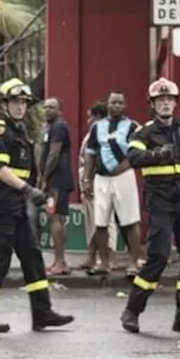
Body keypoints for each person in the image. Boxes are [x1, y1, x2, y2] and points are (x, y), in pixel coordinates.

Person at [0, 78, 74, 334]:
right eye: (14, 102)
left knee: (33, 257)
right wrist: (27, 189)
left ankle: (42, 313)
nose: (19, 107)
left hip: (16, 205)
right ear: (4, 104)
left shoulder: (20, 130)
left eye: (23, 102)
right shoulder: (0, 131)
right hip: (2, 205)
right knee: (0, 261)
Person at [120, 77, 180, 334]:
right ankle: (132, 310)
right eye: (160, 100)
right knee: (158, 257)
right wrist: (158, 154)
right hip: (159, 202)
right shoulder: (144, 132)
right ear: (152, 104)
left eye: (169, 99)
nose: (165, 104)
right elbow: (133, 157)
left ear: (175, 103)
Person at [82, 91, 144, 277]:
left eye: (120, 102)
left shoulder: (133, 126)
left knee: (130, 220)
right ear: (107, 104)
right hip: (101, 178)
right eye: (113, 102)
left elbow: (138, 152)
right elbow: (90, 153)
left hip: (124, 176)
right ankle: (104, 263)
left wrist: (125, 166)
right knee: (100, 222)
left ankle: (133, 262)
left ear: (124, 105)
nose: (116, 106)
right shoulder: (97, 127)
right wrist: (87, 178)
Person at [40, 97, 73, 276]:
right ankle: (58, 261)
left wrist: (44, 178)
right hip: (55, 180)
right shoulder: (50, 127)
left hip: (57, 180)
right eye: (45, 107)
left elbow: (53, 154)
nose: (47, 110)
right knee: (56, 218)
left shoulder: (59, 126)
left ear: (60, 109)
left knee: (56, 218)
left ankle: (60, 262)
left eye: (51, 107)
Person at [77, 101, 110, 273]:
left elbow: (94, 159)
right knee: (92, 222)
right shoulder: (93, 133)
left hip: (95, 182)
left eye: (90, 116)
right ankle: (92, 256)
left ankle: (104, 258)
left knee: (100, 221)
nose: (88, 120)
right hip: (89, 181)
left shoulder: (100, 134)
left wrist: (87, 180)